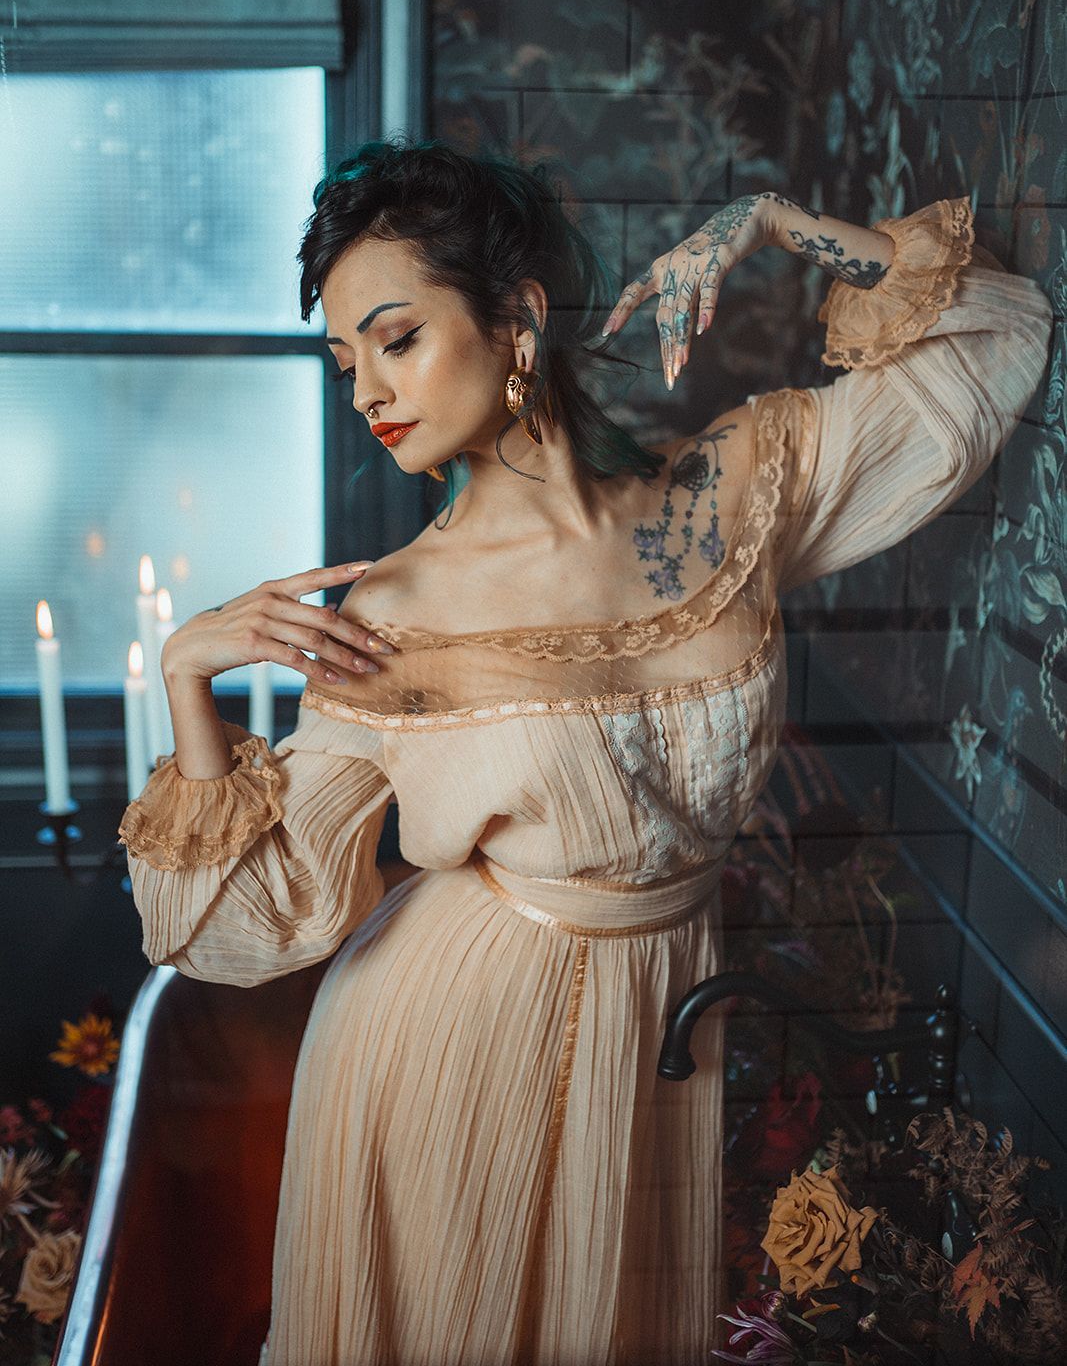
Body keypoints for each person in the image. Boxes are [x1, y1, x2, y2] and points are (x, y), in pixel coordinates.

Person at [117, 140, 1053, 1366]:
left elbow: (989, 339)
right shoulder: (390, 611)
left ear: (516, 322)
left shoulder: (727, 495)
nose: (363, 390)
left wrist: (776, 221)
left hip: (654, 1021)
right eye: (344, 359)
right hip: (446, 1041)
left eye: (394, 338)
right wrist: (191, 684)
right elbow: (242, 925)